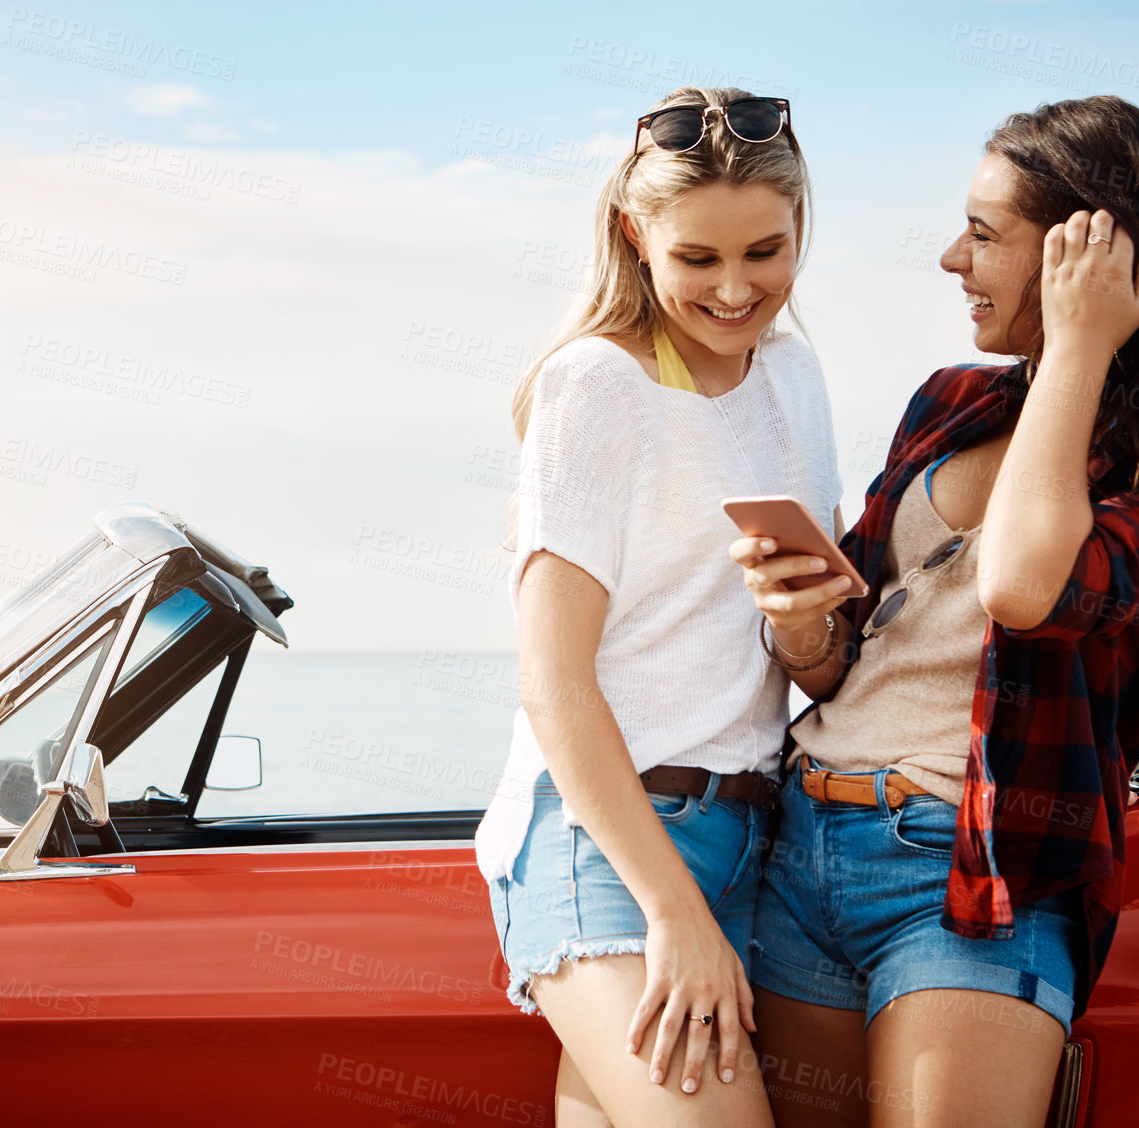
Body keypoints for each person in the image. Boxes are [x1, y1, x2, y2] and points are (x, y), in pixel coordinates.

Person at [731, 94, 1139, 1127]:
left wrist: (1079, 352)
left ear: (1083, 257)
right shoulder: (951, 402)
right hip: (805, 841)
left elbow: (1022, 588)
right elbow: (851, 661)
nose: (952, 261)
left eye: (984, 234)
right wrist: (798, 623)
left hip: (971, 880)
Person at [473, 86, 842, 1126]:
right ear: (637, 237)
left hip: (756, 838)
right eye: (698, 260)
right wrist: (673, 911)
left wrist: (804, 623)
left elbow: (812, 668)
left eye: (764, 253)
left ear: (799, 227)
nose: (735, 290)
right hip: (608, 841)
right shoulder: (597, 383)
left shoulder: (797, 380)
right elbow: (552, 681)